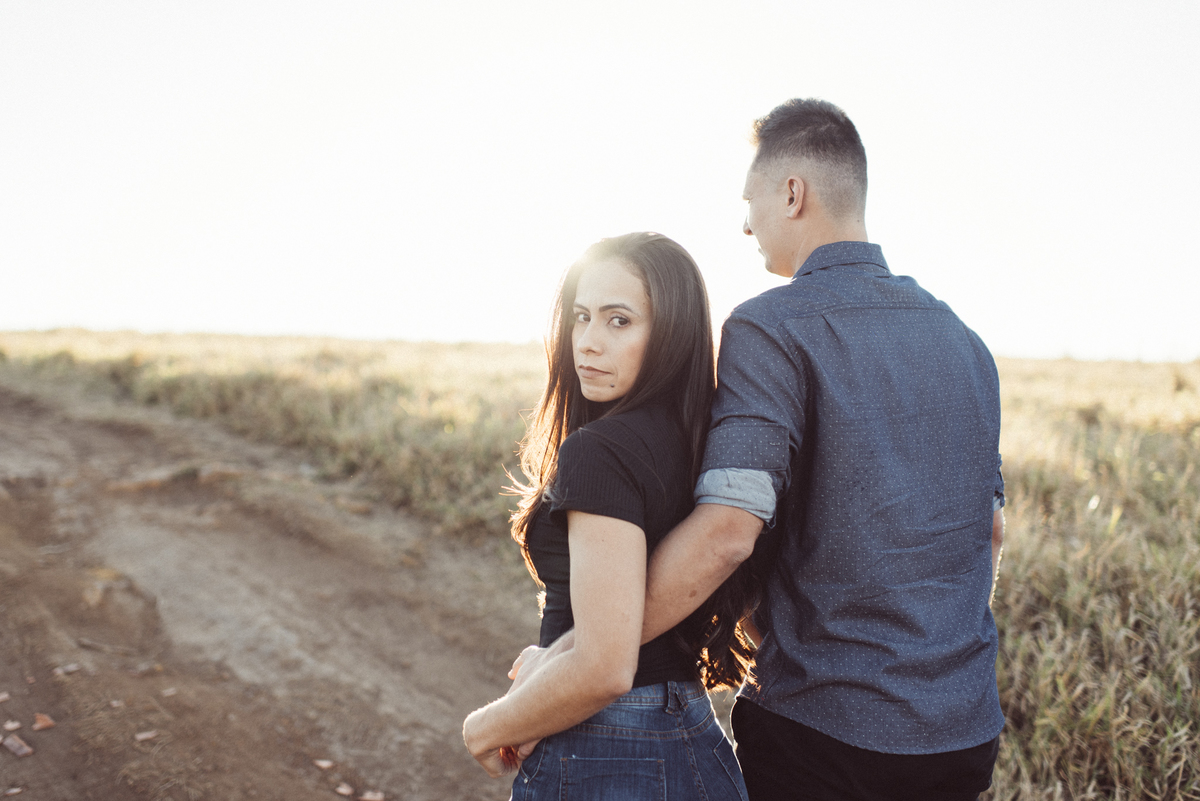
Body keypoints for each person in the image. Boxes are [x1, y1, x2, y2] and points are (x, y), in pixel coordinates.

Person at [517, 100, 1008, 801]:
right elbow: (986, 532)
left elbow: (726, 533)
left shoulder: (770, 327)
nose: (746, 225)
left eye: (751, 202)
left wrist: (566, 664)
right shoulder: (966, 343)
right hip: (962, 735)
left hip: (824, 734)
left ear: (792, 193)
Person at [461, 232, 754, 800]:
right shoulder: (706, 445)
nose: (589, 343)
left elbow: (605, 666)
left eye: (619, 321)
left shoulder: (601, 451)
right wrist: (549, 665)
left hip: (606, 745)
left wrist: (489, 726)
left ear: (670, 333)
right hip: (693, 733)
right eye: (581, 317)